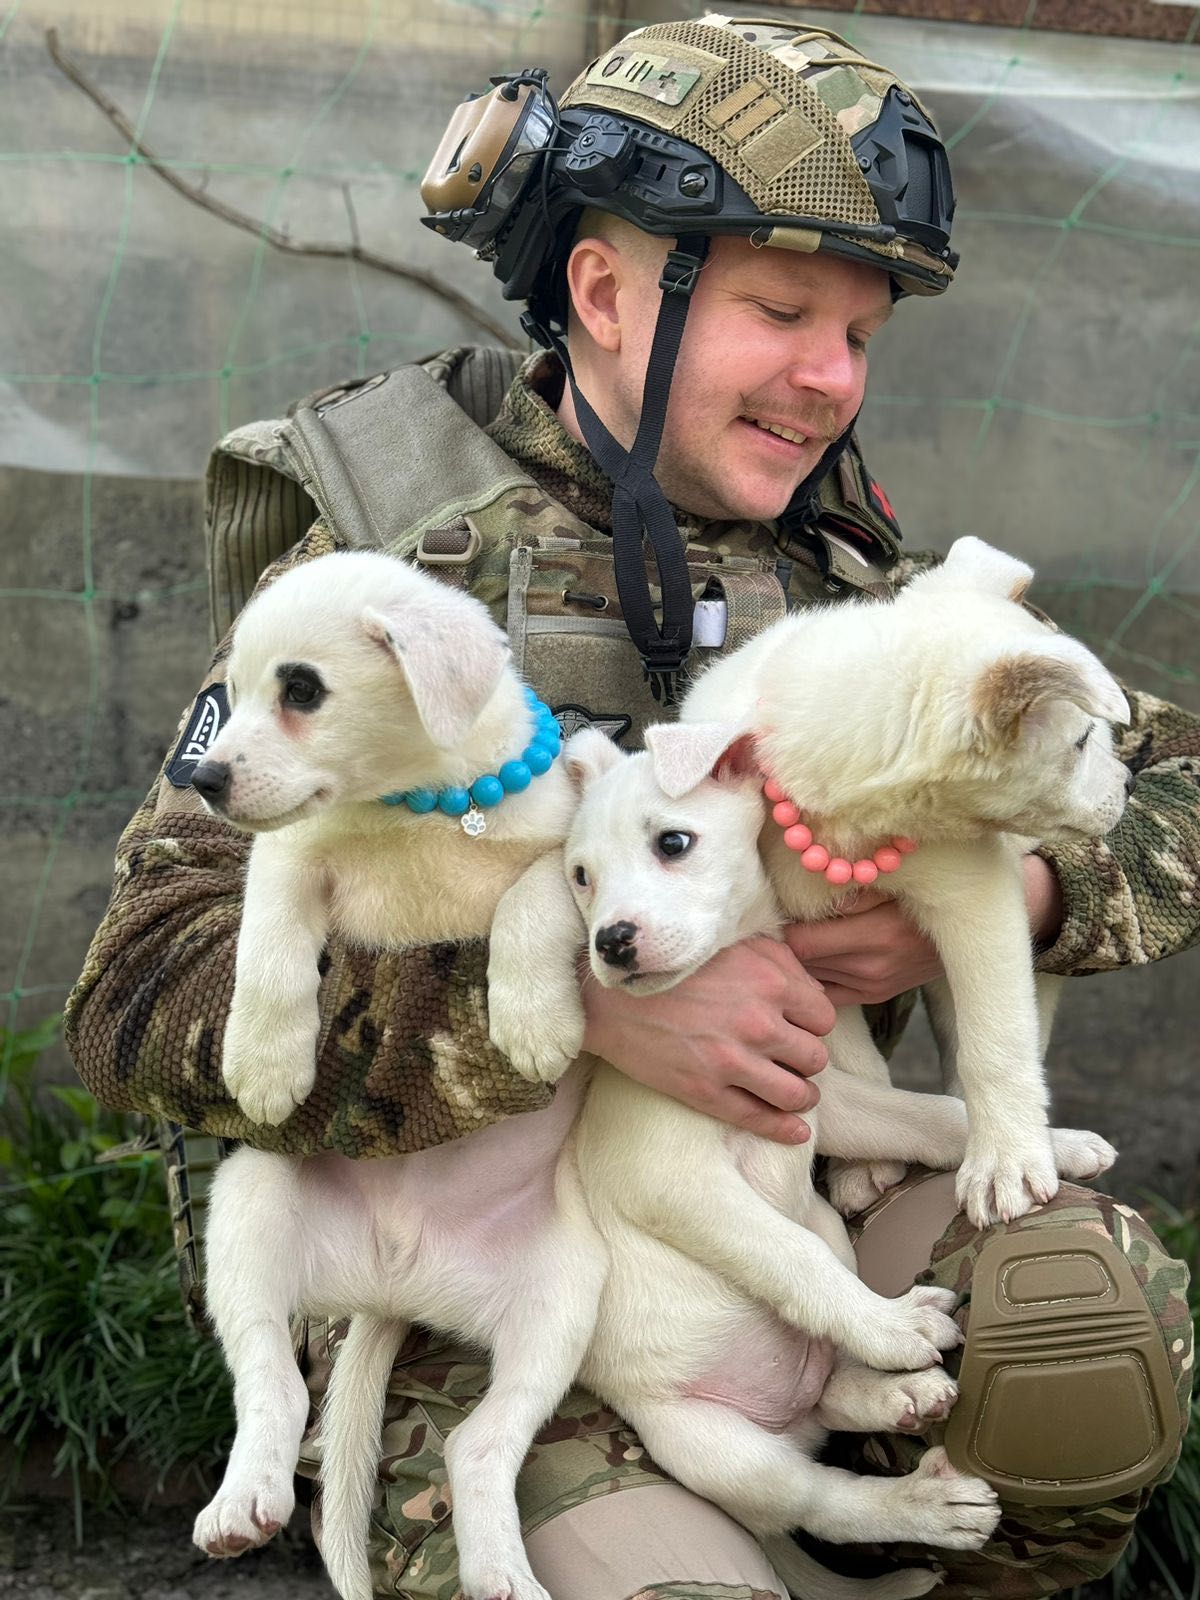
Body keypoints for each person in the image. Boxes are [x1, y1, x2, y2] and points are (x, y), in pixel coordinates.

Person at [66, 16, 1195, 1600]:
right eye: (783, 311)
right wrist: (579, 1010)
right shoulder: (390, 569)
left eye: (861, 335)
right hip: (479, 1304)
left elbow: (1171, 781)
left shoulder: (842, 570)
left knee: (1079, 1331)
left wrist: (1015, 894)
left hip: (774, 1205)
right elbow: (138, 1003)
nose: (829, 379)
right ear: (605, 296)